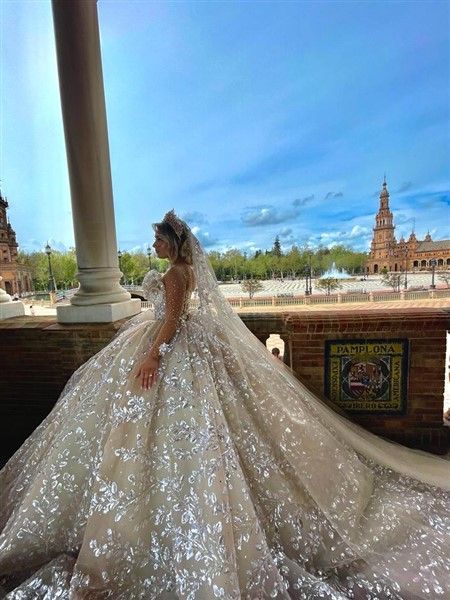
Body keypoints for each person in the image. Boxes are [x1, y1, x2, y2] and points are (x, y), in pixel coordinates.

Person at [0, 210, 449, 599]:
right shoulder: (182, 272)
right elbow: (168, 312)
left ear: (174, 243)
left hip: (167, 349)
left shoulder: (177, 274)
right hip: (173, 343)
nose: (153, 244)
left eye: (158, 239)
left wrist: (152, 355)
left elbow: (171, 321)